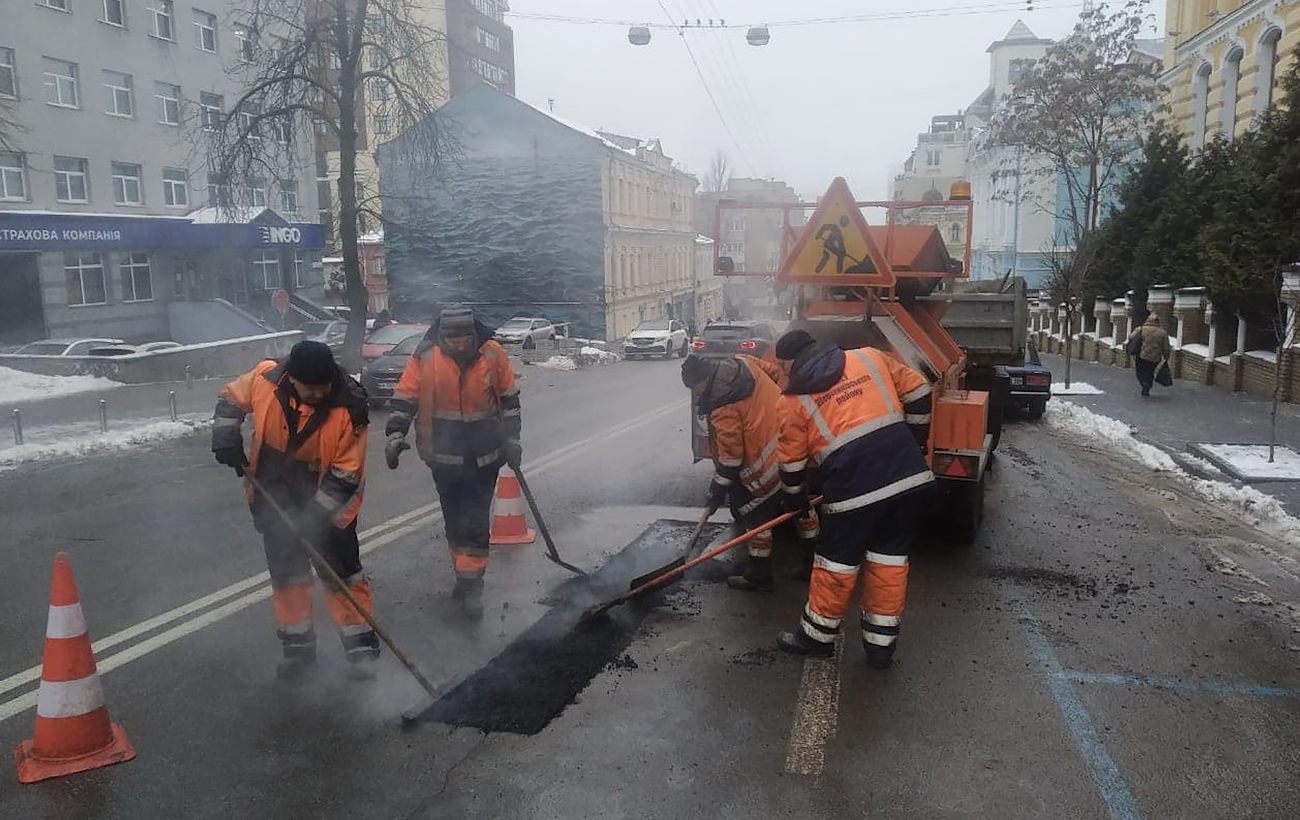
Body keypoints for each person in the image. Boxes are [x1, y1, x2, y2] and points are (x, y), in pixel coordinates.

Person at [212, 340, 379, 679]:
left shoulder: (351, 408)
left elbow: (346, 474)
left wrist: (312, 520)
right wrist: (226, 438)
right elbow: (230, 398)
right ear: (292, 379)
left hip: (332, 506)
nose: (317, 394)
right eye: (309, 388)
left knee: (342, 574)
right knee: (288, 576)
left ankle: (361, 649)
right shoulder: (266, 379)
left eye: (323, 388)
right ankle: (298, 650)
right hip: (273, 494)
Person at [772, 329, 933, 669]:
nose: (784, 376)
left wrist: (795, 501)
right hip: (906, 479)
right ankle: (880, 647)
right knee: (888, 561)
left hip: (853, 492)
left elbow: (791, 464)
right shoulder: (868, 357)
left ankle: (816, 638)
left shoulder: (793, 400)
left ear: (790, 363)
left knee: (836, 563)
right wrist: (916, 441)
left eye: (783, 369)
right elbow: (920, 389)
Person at [385, 306, 521, 618]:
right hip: (442, 457)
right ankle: (464, 575)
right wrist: (394, 433)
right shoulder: (426, 355)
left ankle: (472, 588)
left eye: (464, 340)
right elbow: (406, 395)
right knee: (454, 519)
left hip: (484, 455)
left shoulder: (493, 353)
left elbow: (509, 401)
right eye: (452, 340)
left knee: (474, 520)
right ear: (443, 336)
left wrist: (512, 441)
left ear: (474, 335)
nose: (459, 346)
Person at [681, 354, 818, 592]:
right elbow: (775, 373)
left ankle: (759, 576)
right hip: (793, 446)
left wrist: (716, 492)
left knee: (755, 517)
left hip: (765, 467)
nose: (697, 394)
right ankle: (816, 564)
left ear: (703, 379)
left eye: (695, 388)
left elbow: (731, 460)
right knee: (801, 506)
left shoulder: (722, 407)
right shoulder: (743, 362)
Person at [1127, 314, 1171, 397]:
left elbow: (1130, 337)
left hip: (1141, 355)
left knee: (1140, 371)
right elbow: (1166, 347)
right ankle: (1148, 384)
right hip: (1155, 357)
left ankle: (1144, 383)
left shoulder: (1141, 329)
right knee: (1150, 372)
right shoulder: (1162, 332)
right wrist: (1166, 357)